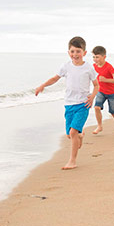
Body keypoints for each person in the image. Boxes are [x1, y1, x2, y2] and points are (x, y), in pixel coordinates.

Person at [35, 36, 98, 170]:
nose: (75, 54)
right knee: (70, 134)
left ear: (84, 53)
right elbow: (55, 78)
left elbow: (96, 85)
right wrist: (42, 86)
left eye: (78, 51)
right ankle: (80, 135)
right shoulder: (66, 66)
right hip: (69, 104)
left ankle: (72, 161)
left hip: (83, 104)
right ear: (69, 52)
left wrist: (92, 97)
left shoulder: (88, 68)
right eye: (73, 51)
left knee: (73, 132)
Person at [91, 45, 114, 134]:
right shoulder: (94, 66)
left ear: (104, 57)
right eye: (94, 57)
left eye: (97, 57)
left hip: (112, 93)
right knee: (97, 107)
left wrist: (106, 80)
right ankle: (99, 126)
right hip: (101, 91)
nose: (95, 59)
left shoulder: (109, 67)